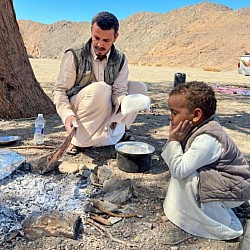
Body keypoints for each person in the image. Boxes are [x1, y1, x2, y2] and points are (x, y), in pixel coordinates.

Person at [161, 81, 250, 240]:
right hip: (223, 184)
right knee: (188, 169)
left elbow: (179, 169)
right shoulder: (199, 127)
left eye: (174, 112)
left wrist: (173, 140)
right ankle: (179, 211)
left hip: (234, 188)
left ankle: (221, 226)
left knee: (190, 177)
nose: (170, 117)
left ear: (196, 115)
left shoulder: (207, 139)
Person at [53, 11, 147, 155]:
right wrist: (67, 115)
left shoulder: (120, 59)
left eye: (106, 40)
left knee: (139, 88)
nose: (100, 44)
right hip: (81, 107)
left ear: (115, 37)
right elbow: (60, 90)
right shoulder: (74, 55)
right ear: (91, 31)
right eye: (96, 38)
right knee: (101, 88)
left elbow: (119, 90)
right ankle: (80, 139)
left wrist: (122, 103)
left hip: (106, 105)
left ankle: (118, 130)